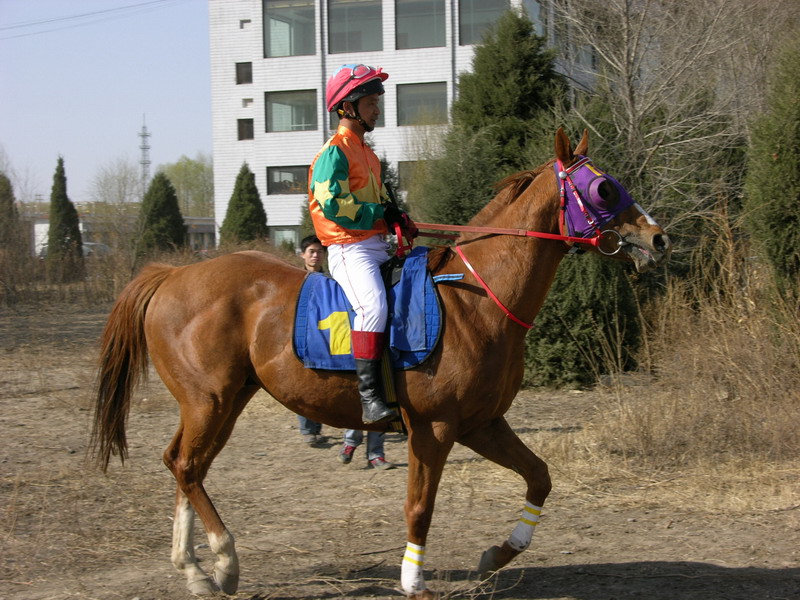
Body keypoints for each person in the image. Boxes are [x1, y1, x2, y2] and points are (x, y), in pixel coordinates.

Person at [308, 64, 417, 425]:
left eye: (376, 102)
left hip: (376, 246)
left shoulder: (367, 154)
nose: (377, 109)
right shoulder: (333, 153)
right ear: (348, 107)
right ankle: (370, 399)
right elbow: (334, 206)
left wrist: (397, 218)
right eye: (371, 102)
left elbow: (382, 205)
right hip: (347, 250)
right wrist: (382, 214)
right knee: (373, 307)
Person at [296, 235, 328, 446]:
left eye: (319, 252)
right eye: (311, 252)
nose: (315, 256)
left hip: (325, 332)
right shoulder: (295, 280)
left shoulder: (331, 280)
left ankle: (317, 425)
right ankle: (307, 429)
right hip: (302, 332)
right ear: (303, 255)